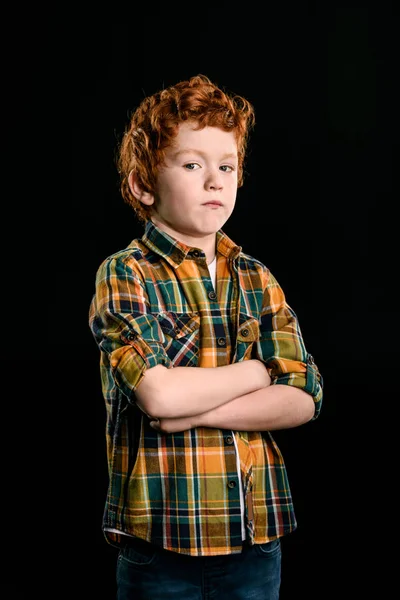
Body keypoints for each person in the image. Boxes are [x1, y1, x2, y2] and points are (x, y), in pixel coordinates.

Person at [88, 74, 323, 600]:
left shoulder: (257, 279)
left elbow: (303, 398)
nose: (215, 180)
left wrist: (194, 412)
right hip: (162, 545)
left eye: (227, 166)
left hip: (255, 540)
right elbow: (159, 394)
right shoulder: (127, 274)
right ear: (143, 186)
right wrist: (257, 372)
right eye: (192, 165)